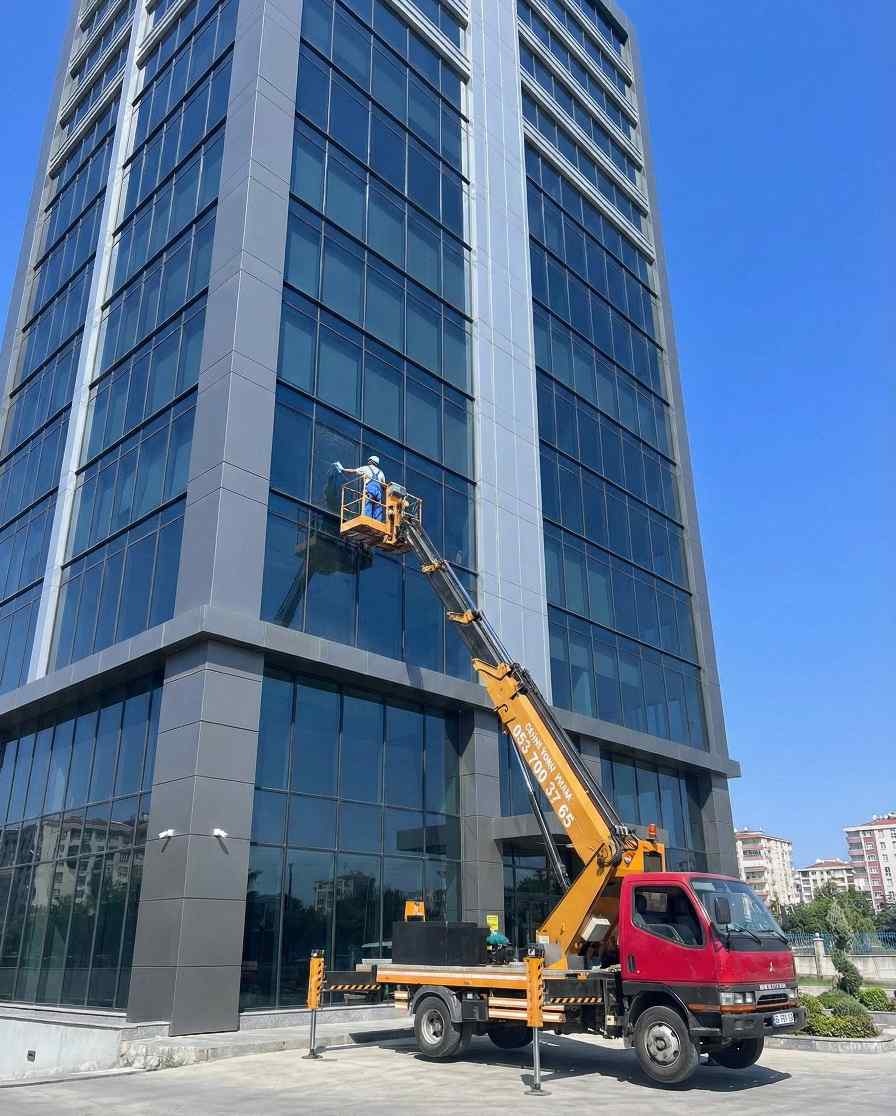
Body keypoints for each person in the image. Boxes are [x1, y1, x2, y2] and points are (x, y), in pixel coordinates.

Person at [336, 455, 386, 520]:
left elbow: (353, 471)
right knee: (377, 508)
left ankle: (367, 519)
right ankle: (377, 521)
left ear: (370, 461)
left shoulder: (366, 468)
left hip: (370, 490)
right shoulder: (381, 473)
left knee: (368, 505)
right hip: (378, 492)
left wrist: (343, 470)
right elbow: (384, 486)